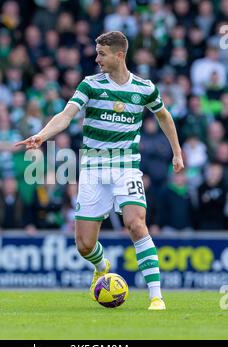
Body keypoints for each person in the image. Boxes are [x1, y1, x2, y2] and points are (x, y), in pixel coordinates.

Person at [15, 31, 184, 310]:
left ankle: (156, 296)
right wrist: (42, 135)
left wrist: (177, 152)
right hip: (93, 170)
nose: (97, 58)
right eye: (97, 53)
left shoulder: (144, 88)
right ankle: (101, 263)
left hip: (126, 168)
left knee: (136, 223)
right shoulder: (90, 85)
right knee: (83, 245)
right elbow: (66, 115)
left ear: (120, 55)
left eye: (101, 54)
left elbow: (164, 116)